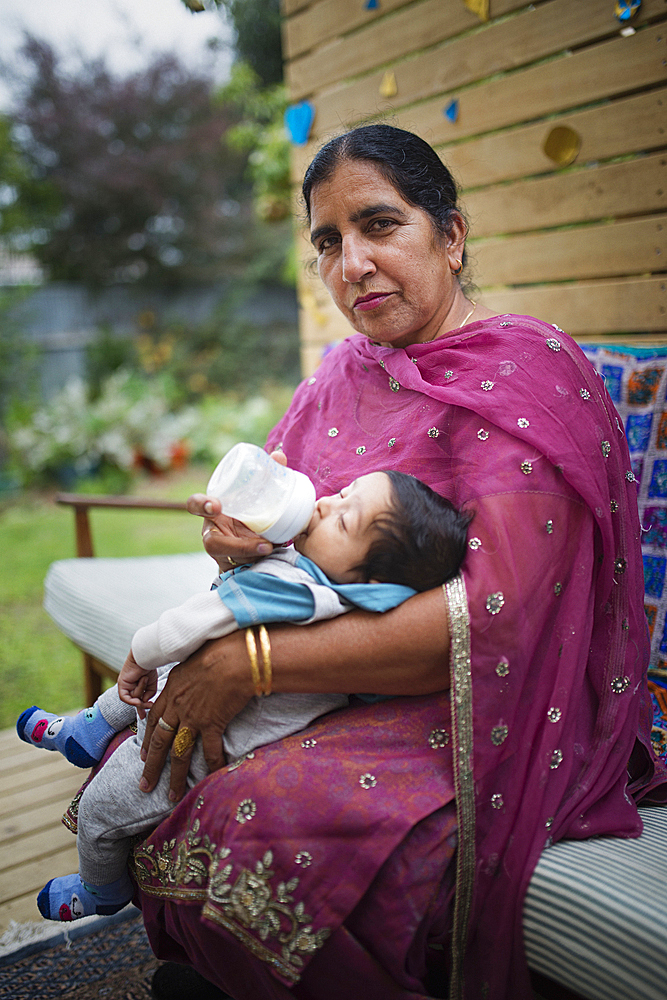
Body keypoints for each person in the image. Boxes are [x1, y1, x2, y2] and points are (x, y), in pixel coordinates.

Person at [66, 125, 667, 1000]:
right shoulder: (343, 374)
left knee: (262, 810)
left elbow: (499, 615)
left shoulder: (527, 374)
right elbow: (293, 533)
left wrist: (253, 663)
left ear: (449, 236)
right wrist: (241, 545)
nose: (352, 265)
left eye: (380, 226)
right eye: (326, 243)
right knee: (168, 755)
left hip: (489, 695)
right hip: (337, 677)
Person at [18, 469, 470, 923]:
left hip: (195, 748)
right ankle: (85, 731)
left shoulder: (291, 592)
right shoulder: (335, 593)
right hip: (191, 690)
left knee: (101, 807)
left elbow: (192, 623)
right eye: (341, 493)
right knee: (144, 688)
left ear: (375, 584)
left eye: (344, 521)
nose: (324, 504)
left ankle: (100, 888)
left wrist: (140, 652)